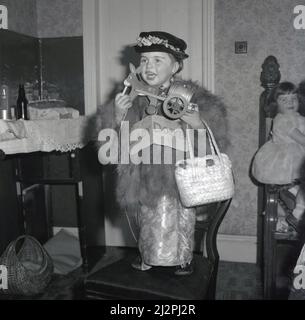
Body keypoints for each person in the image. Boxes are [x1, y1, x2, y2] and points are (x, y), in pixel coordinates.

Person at [94, 31, 228, 275]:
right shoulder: (132, 96)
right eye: (144, 60)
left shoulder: (191, 97)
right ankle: (148, 255)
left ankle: (182, 258)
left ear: (175, 65)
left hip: (180, 176)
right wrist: (116, 115)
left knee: (179, 221)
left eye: (158, 60)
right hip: (144, 173)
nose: (149, 66)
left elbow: (215, 137)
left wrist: (197, 123)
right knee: (147, 220)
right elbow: (112, 143)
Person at [252, 81, 305, 233]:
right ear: (276, 104)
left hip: (298, 157)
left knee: (299, 188)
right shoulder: (282, 119)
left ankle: (295, 204)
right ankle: (296, 212)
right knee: (298, 184)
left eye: (293, 98)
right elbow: (301, 139)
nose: (290, 102)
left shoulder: (299, 117)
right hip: (285, 160)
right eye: (284, 100)